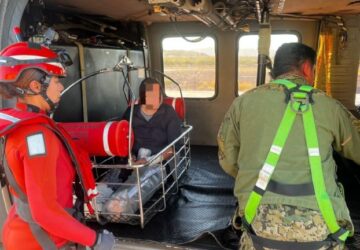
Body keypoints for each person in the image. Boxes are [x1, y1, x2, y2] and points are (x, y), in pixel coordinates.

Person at [217, 43, 360, 250]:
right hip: (323, 228)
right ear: (306, 68)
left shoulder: (243, 103)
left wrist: (253, 175)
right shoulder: (330, 106)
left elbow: (228, 160)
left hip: (257, 223)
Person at [0, 42, 115, 250]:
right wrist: (95, 240)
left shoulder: (20, 127)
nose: (61, 87)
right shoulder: (37, 136)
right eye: (56, 81)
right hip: (40, 242)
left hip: (23, 234)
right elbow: (45, 212)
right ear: (36, 86)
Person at [123, 77, 182, 165]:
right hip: (133, 160)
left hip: (161, 161)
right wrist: (130, 156)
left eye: (158, 95)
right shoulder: (130, 113)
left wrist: (151, 160)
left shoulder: (168, 113)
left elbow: (174, 148)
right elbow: (122, 140)